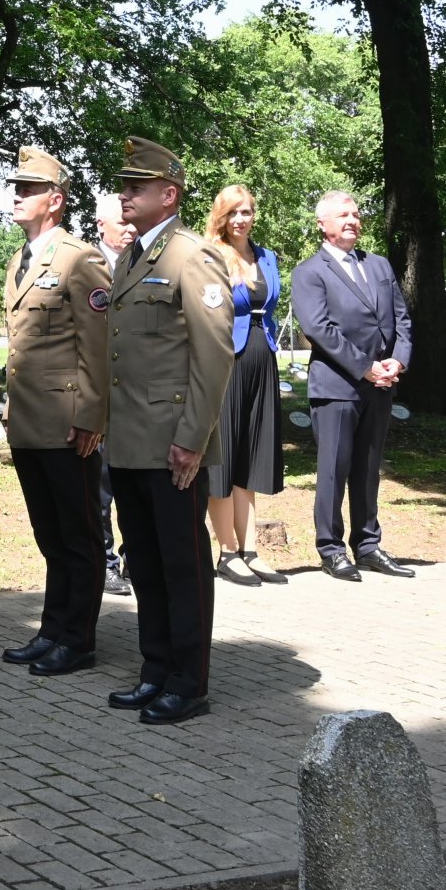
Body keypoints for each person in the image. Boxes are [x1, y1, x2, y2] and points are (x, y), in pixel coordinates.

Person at [102, 137, 233, 725]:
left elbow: (213, 356)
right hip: (130, 438)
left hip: (173, 441)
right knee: (145, 562)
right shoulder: (133, 256)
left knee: (181, 563)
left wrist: (194, 437)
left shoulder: (191, 256)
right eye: (124, 186)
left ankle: (188, 679)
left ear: (169, 194)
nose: (125, 194)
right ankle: (154, 668)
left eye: (136, 187)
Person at [0, 149, 111, 677]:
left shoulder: (79, 258)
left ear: (56, 200)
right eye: (15, 187)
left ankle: (79, 639)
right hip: (29, 422)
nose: (17, 195)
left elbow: (100, 345)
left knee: (80, 535)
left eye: (28, 188)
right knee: (49, 535)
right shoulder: (19, 260)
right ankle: (51, 629)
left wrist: (91, 416)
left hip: (68, 423)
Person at [290, 191, 416, 581]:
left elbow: (402, 320)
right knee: (334, 469)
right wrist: (365, 368)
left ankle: (368, 545)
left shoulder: (378, 265)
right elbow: (318, 329)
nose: (352, 220)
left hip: (380, 385)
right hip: (336, 386)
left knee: (368, 468)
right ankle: (331, 549)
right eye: (343, 215)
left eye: (356, 214)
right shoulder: (310, 272)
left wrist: (398, 359)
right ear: (322, 225)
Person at [202, 185, 287, 587]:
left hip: (261, 356)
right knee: (224, 456)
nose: (241, 219)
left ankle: (250, 548)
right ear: (221, 216)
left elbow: (270, 308)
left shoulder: (266, 256)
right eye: (233, 212)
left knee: (250, 458)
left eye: (247, 211)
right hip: (225, 361)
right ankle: (227, 551)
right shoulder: (211, 256)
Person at [93, 201, 138, 597]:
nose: (129, 228)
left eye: (131, 222)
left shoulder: (148, 262)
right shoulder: (88, 265)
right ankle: (106, 562)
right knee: (101, 489)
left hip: (141, 399)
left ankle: (134, 559)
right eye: (121, 222)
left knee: (136, 487)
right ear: (100, 222)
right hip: (102, 397)